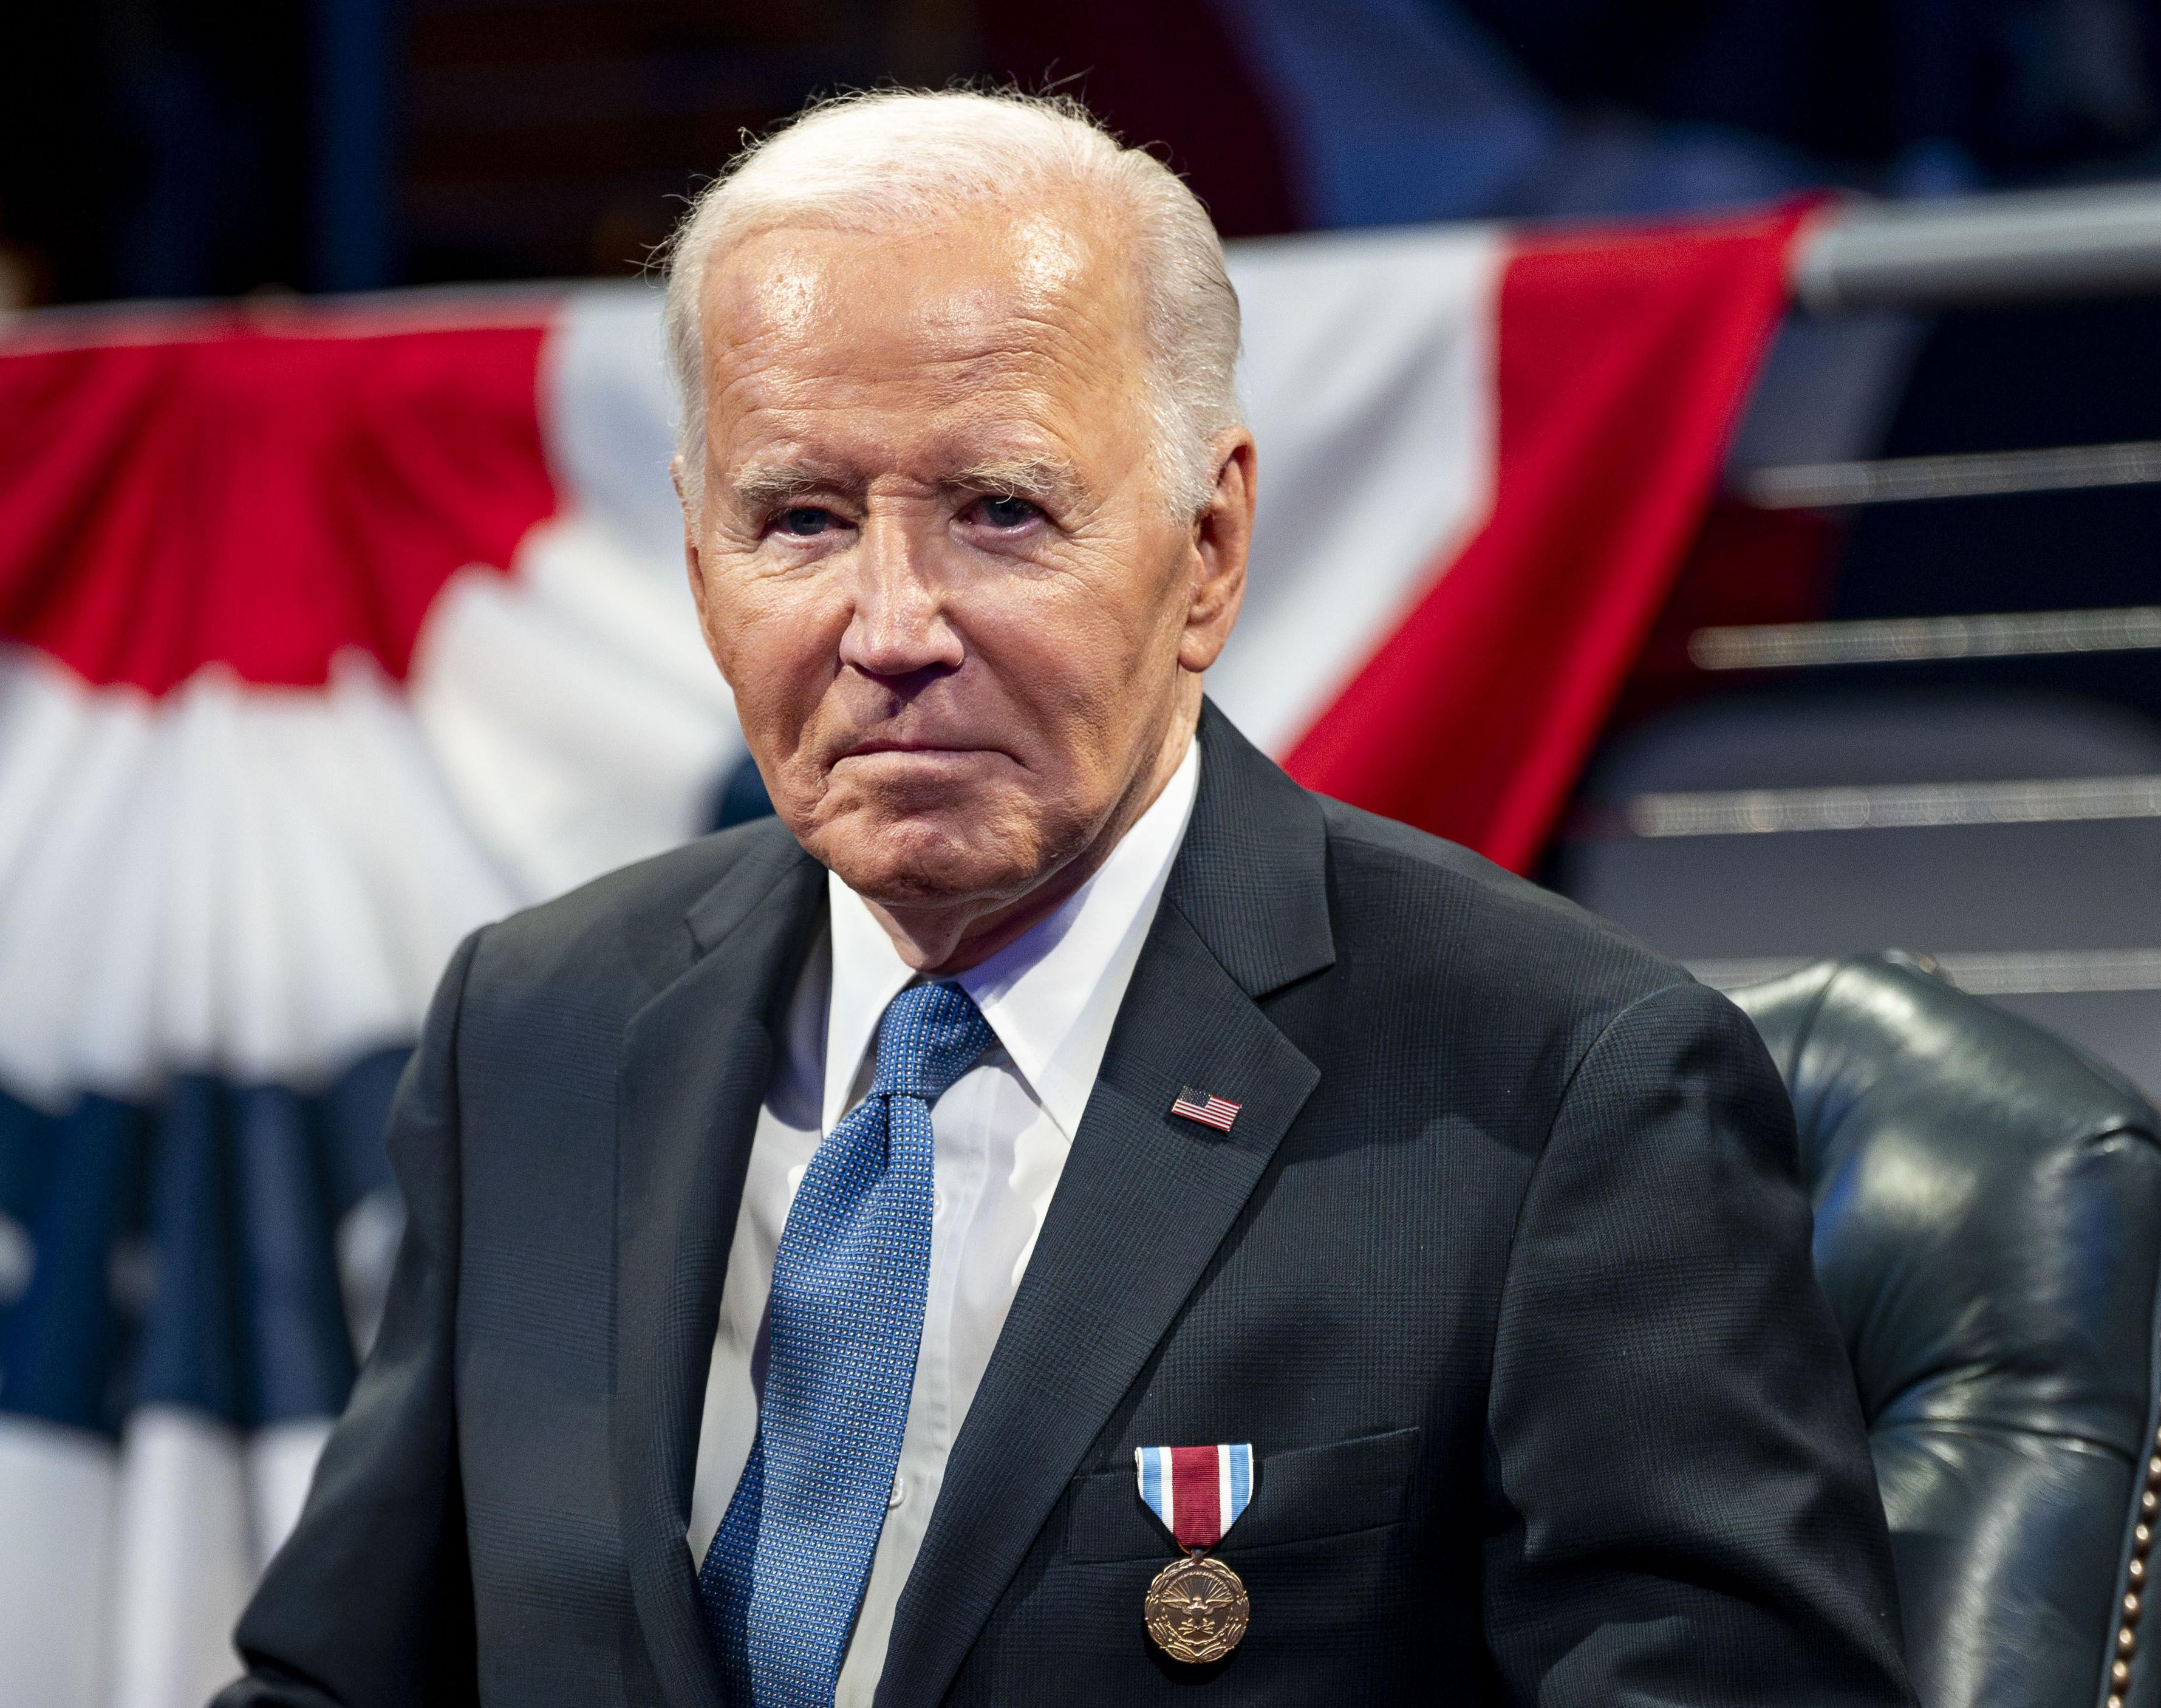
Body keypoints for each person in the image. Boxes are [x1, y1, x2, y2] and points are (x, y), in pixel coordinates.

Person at [219, 88, 1911, 1707]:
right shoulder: (538, 1026)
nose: (890, 626)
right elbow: (341, 1673)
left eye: (999, 513)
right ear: (696, 560)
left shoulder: (1560, 1087)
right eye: (800, 519)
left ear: (1210, 549)